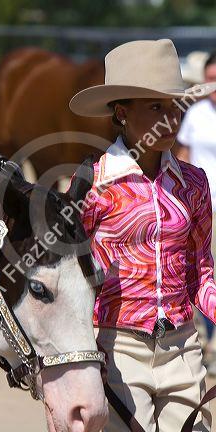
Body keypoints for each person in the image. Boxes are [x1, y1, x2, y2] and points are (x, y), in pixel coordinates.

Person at [68, 39, 216, 431]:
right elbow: (70, 277)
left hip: (183, 349)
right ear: (121, 111)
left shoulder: (194, 184)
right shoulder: (91, 185)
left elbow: (201, 274)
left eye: (175, 107)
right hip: (116, 350)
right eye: (155, 108)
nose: (171, 120)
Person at [177, 51, 216, 376]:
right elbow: (184, 157)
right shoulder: (195, 115)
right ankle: (206, 341)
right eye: (210, 79)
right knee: (202, 273)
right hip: (203, 210)